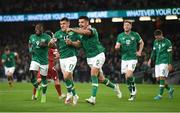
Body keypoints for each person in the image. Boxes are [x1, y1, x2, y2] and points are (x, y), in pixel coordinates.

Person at [66, 16, 122, 105]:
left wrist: (72, 29)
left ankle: (93, 98)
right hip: (89, 58)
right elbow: (79, 44)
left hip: (98, 55)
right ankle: (115, 87)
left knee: (93, 73)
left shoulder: (92, 30)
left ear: (87, 23)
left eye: (82, 22)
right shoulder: (80, 33)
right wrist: (71, 43)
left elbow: (86, 32)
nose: (80, 24)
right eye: (79, 22)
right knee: (101, 79)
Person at [49, 17, 79, 105]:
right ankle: (74, 95)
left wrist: (71, 43)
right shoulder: (57, 34)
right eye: (61, 24)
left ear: (68, 24)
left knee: (66, 76)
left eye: (64, 24)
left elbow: (79, 44)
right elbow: (50, 45)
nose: (62, 25)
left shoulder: (74, 32)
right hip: (62, 59)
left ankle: (70, 94)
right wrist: (51, 42)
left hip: (71, 58)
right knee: (69, 78)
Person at [115, 20, 144, 101]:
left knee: (129, 75)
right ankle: (132, 94)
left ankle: (134, 87)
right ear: (123, 27)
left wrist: (139, 51)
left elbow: (142, 43)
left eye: (128, 25)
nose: (126, 26)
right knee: (127, 78)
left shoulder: (135, 35)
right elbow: (117, 45)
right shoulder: (120, 36)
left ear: (131, 26)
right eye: (125, 25)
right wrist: (117, 47)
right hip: (124, 59)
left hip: (132, 58)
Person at [148, 29, 174, 100]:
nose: (157, 39)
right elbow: (153, 52)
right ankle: (170, 89)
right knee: (158, 79)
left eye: (158, 37)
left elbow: (170, 54)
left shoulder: (167, 42)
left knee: (162, 77)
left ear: (161, 35)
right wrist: (150, 59)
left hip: (164, 62)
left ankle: (160, 95)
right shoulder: (155, 41)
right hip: (157, 62)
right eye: (156, 38)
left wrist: (169, 64)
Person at [29, 24, 51, 103]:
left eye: (39, 29)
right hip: (35, 59)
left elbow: (52, 46)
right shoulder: (32, 37)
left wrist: (44, 45)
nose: (37, 30)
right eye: (36, 29)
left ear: (42, 29)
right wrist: (30, 49)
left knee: (44, 79)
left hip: (44, 61)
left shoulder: (47, 37)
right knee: (31, 75)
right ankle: (37, 87)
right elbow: (30, 44)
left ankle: (44, 94)